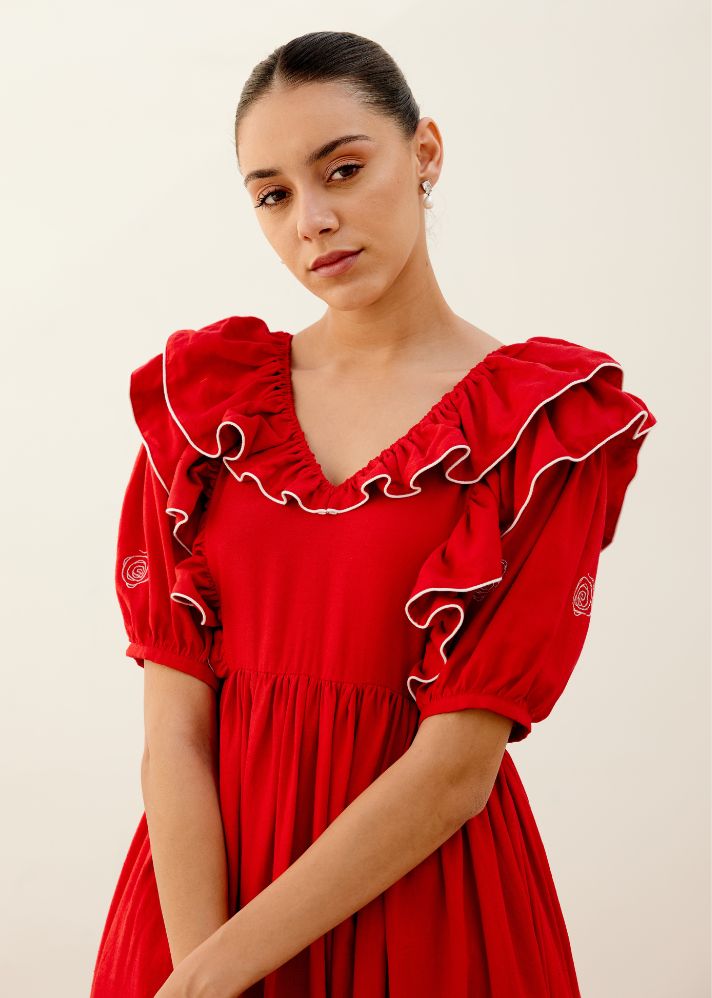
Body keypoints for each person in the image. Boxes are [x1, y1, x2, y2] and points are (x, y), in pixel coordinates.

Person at [89, 29, 657, 998]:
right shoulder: (203, 406)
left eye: (343, 169)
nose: (312, 219)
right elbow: (174, 728)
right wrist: (197, 970)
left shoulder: (545, 426)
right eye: (272, 194)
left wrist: (214, 974)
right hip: (197, 906)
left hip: (425, 908)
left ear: (425, 151)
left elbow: (453, 768)